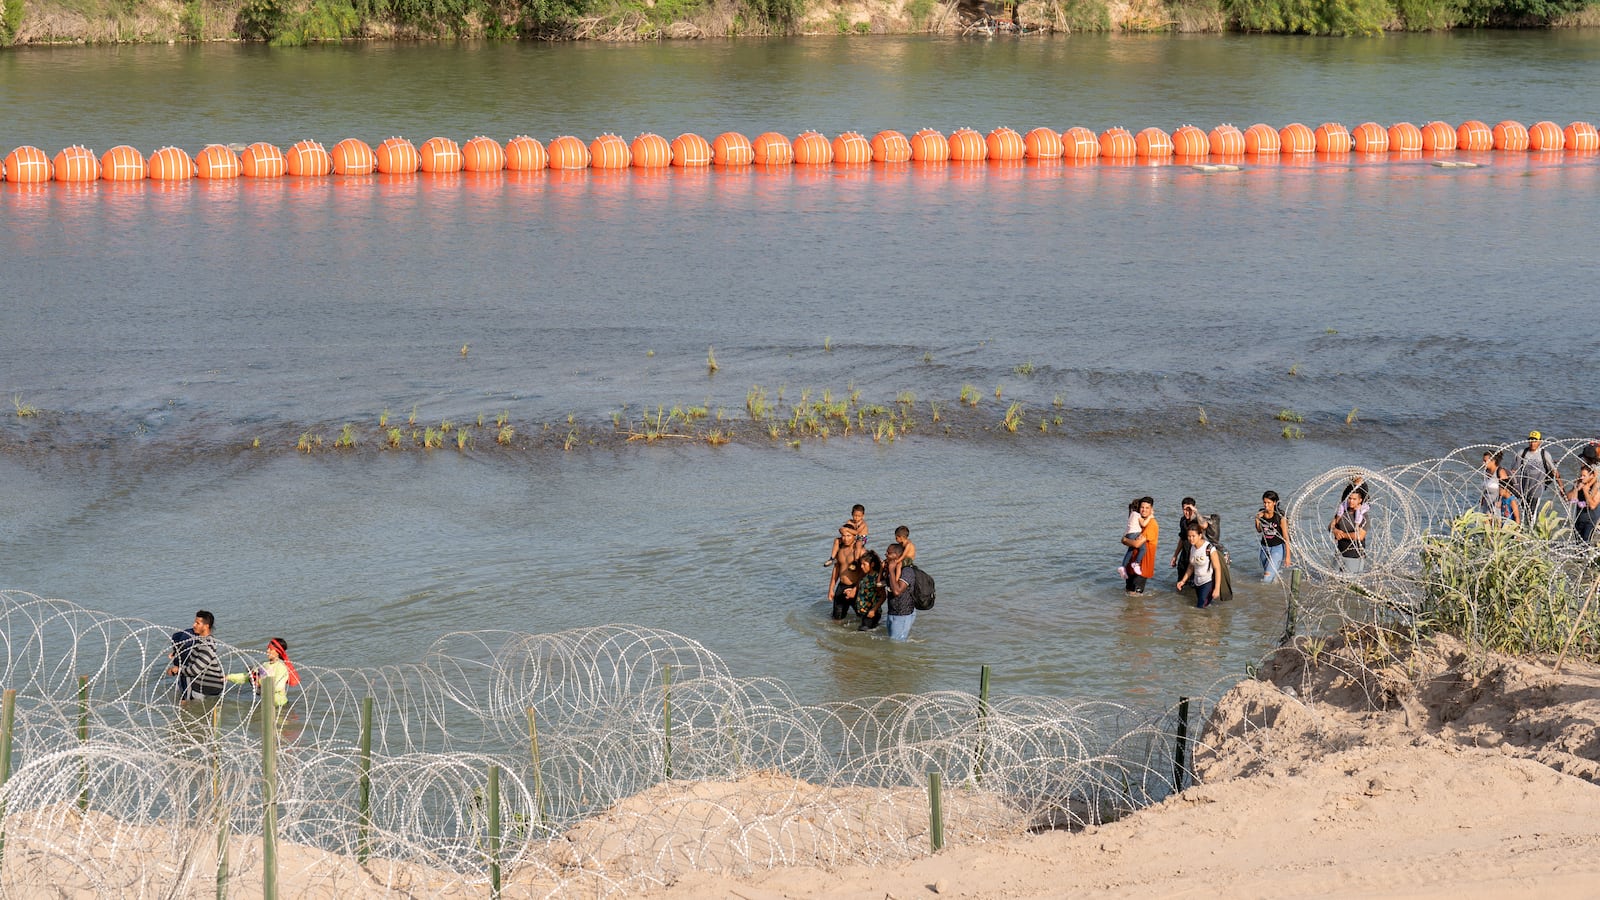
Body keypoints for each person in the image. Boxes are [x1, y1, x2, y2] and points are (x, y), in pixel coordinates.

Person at [166, 610, 223, 703]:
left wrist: (176, 670)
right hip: (202, 682)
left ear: (206, 626)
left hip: (208, 686)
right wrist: (176, 653)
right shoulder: (198, 641)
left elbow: (195, 670)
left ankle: (186, 704)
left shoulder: (207, 646)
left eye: (198, 623)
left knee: (188, 709)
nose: (194, 625)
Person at [226, 637, 300, 707]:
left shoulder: (281, 667)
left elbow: (278, 686)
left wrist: (259, 682)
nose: (267, 651)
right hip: (267, 705)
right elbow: (247, 676)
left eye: (270, 649)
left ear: (277, 652)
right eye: (267, 648)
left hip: (280, 706)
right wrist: (228, 677)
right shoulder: (265, 665)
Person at [1513, 431, 1565, 517]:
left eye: (1535, 441)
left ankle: (1530, 528)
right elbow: (1514, 471)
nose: (1532, 443)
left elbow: (1554, 471)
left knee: (1532, 512)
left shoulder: (1544, 454)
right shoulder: (1522, 453)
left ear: (1540, 441)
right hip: (1523, 489)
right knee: (1523, 512)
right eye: (1530, 440)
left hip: (1537, 489)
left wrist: (1561, 488)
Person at [1169, 498, 1220, 582]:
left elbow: (1204, 525)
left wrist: (1195, 511)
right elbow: (1182, 538)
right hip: (1185, 554)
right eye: (1184, 509)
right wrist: (1175, 556)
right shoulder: (1183, 521)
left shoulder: (1198, 520)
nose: (1187, 512)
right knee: (1181, 580)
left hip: (1197, 555)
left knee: (1196, 582)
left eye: (1189, 509)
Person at [1174, 524, 1224, 608]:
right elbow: (1191, 566)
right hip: (1197, 582)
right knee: (1203, 606)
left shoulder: (1209, 548)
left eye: (1193, 536)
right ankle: (1212, 619)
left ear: (1200, 535)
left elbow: (1217, 568)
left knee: (1200, 607)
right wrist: (1183, 581)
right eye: (1189, 536)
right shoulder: (1192, 548)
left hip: (1208, 582)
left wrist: (1217, 588)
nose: (1191, 539)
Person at [875, 542, 917, 640]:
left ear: (896, 556)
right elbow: (878, 585)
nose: (885, 554)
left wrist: (891, 570)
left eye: (889, 553)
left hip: (903, 614)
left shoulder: (907, 571)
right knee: (893, 641)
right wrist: (882, 570)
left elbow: (897, 592)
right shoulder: (892, 571)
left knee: (896, 644)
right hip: (892, 612)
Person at [1120, 497, 1158, 595]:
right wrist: (1125, 540)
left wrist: (1125, 540)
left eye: (1147, 508)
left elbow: (1137, 544)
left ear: (1151, 509)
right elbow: (1126, 539)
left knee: (1135, 595)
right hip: (1131, 564)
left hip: (1142, 566)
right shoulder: (1138, 520)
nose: (1144, 510)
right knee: (1128, 593)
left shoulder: (1151, 524)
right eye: (1142, 507)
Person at [827, 522, 865, 620]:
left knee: (863, 617)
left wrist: (855, 589)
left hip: (856, 586)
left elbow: (864, 572)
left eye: (848, 536)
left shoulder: (859, 551)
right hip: (842, 586)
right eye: (843, 536)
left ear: (854, 536)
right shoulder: (840, 550)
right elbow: (836, 569)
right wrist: (831, 588)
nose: (845, 538)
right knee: (836, 618)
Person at [1330, 486, 1370, 574]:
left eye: (1354, 499)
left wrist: (1342, 535)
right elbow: (1331, 525)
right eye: (1349, 498)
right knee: (1334, 581)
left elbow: (1360, 536)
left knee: (1350, 583)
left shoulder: (1363, 516)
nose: (1351, 501)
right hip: (1339, 553)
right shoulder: (1342, 512)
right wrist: (1335, 530)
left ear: (1360, 500)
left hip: (1354, 556)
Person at [1255, 491, 1291, 583]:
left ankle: (1264, 596)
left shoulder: (1280, 517)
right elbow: (1259, 530)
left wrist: (1288, 557)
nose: (1266, 505)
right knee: (1267, 573)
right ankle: (1274, 589)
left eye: (1269, 503)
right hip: (1264, 548)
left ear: (1274, 503)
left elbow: (1286, 537)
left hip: (1277, 549)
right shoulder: (1261, 514)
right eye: (1264, 502)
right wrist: (1257, 520)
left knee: (1266, 578)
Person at [849, 550, 884, 631]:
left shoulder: (877, 578)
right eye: (861, 564)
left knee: (862, 632)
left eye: (864, 564)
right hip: (864, 612)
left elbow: (883, 596)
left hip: (871, 613)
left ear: (872, 564)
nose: (861, 566)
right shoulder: (866, 576)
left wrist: (873, 610)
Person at [1564, 464, 1598, 544]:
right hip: (1579, 521)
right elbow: (1570, 499)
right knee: (1578, 547)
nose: (1581, 477)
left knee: (1586, 547)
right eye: (1581, 475)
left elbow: (1592, 505)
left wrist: (1585, 491)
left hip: (1591, 523)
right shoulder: (1579, 483)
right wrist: (1576, 488)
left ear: (1592, 476)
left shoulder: (1597, 486)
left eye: (1584, 475)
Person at [1116, 499, 1145, 580]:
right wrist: (1150, 516)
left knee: (1130, 550)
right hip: (1134, 534)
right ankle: (1137, 563)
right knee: (1143, 548)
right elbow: (1143, 524)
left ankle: (1123, 566)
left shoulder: (1132, 514)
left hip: (1128, 535)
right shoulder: (1138, 515)